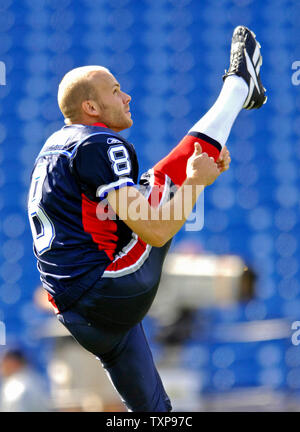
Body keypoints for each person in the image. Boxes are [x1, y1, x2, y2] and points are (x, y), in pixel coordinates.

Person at [28, 26, 266, 411]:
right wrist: (195, 182)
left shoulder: (53, 148)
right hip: (107, 291)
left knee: (156, 414)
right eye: (115, 91)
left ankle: (241, 89)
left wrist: (198, 176)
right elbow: (155, 231)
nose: (127, 96)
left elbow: (101, 222)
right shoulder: (96, 142)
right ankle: (238, 87)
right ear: (91, 108)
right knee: (162, 182)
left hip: (80, 316)